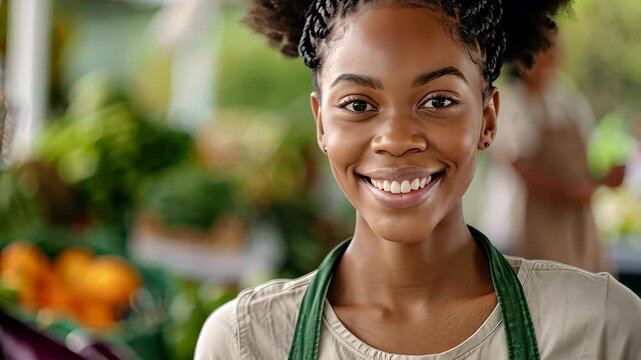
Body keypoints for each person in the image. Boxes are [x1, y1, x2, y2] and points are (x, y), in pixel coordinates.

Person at [195, 1, 641, 359]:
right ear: (321, 125)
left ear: (488, 120)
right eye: (357, 104)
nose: (397, 139)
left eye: (438, 100)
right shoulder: (243, 343)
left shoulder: (602, 329)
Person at [482, 35, 624, 274]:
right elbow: (518, 167)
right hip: (519, 230)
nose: (555, 54)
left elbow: (584, 167)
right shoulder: (507, 103)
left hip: (573, 231)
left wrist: (606, 179)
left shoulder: (568, 100)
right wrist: (568, 192)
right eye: (547, 48)